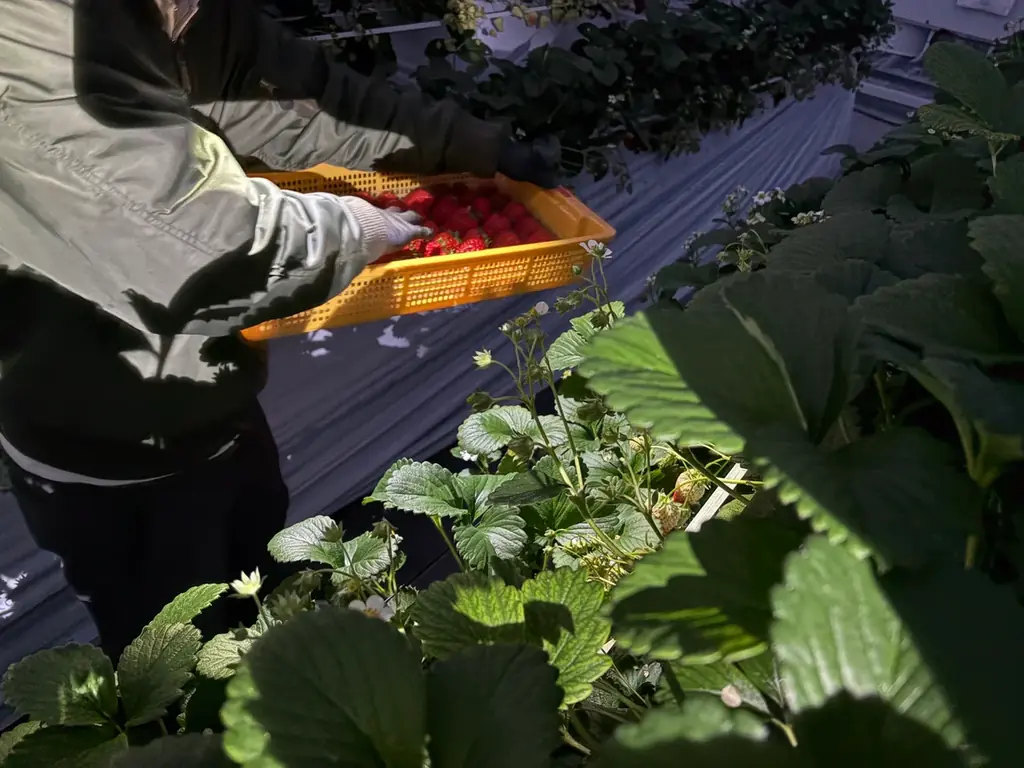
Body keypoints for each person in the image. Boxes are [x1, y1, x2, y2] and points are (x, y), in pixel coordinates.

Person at [0, 0, 559, 660]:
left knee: (257, 590)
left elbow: (304, 102)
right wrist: (360, 230)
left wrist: (475, 148)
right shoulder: (33, 38)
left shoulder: (192, 14)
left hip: (218, 404)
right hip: (98, 449)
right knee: (170, 660)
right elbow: (196, 252)